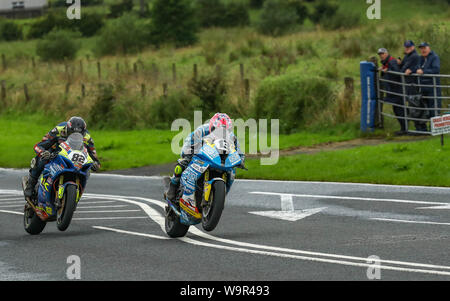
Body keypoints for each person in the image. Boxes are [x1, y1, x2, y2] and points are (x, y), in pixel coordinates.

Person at [166, 113, 245, 201]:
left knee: (232, 170)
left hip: (219, 158)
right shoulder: (203, 130)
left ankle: (219, 196)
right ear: (212, 126)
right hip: (200, 152)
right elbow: (190, 141)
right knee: (182, 164)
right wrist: (189, 153)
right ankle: (173, 186)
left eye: (225, 130)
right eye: (217, 129)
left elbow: (238, 151)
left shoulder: (232, 137)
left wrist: (241, 160)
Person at [24, 116, 101, 198]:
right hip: (56, 153)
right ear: (67, 129)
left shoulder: (87, 137)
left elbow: (94, 156)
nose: (75, 136)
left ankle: (77, 192)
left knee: (87, 170)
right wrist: (43, 153)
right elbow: (39, 145)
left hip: (75, 158)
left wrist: (95, 165)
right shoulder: (58, 130)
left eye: (79, 135)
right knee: (42, 159)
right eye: (72, 134)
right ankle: (31, 185)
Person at [378, 48, 406, 135]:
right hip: (394, 90)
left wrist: (387, 70)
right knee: (397, 109)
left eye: (382, 54)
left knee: (399, 110)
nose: (381, 56)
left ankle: (404, 129)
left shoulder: (391, 61)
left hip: (397, 90)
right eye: (379, 54)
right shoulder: (387, 62)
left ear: (387, 53)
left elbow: (397, 73)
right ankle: (404, 128)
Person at [417, 42, 441, 120]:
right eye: (421, 48)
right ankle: (424, 131)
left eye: (424, 48)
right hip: (423, 87)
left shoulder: (434, 57)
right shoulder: (420, 58)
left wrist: (423, 71)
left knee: (434, 109)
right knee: (423, 110)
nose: (423, 50)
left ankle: (434, 131)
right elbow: (417, 68)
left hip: (432, 87)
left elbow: (436, 69)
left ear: (429, 48)